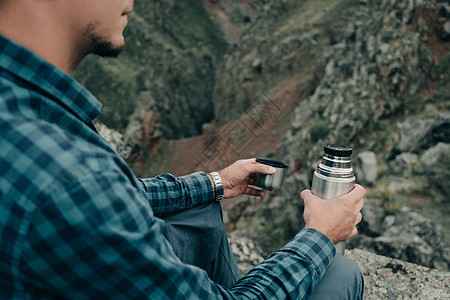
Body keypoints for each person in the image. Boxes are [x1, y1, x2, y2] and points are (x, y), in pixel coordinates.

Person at [0, 0, 365, 298]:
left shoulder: (24, 105)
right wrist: (320, 234)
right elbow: (86, 194)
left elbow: (114, 197)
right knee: (340, 272)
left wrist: (216, 182)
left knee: (201, 209)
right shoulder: (70, 176)